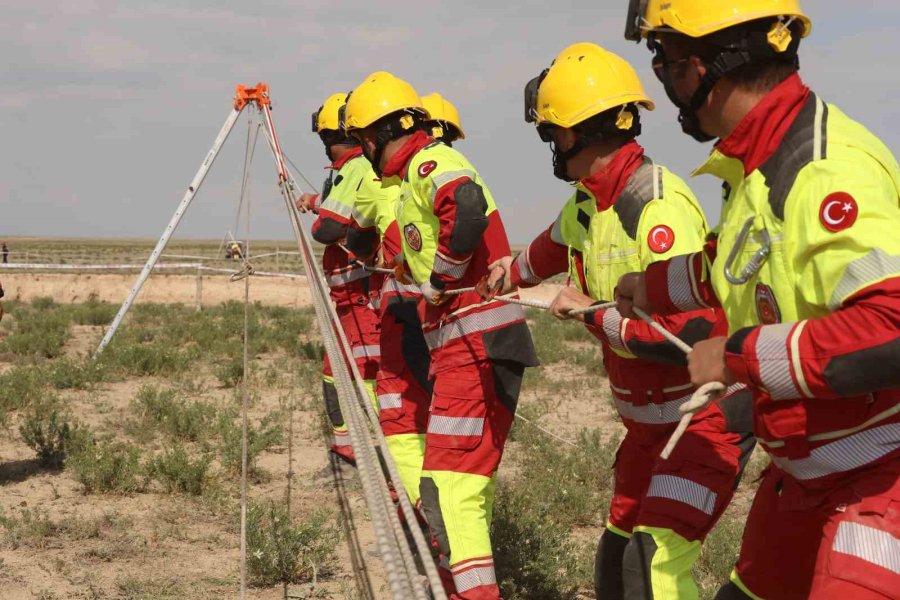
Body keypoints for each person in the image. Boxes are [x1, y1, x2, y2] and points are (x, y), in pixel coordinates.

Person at [617, 2, 900, 598]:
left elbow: (889, 329)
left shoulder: (823, 168)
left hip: (877, 481)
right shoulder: (761, 162)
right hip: (804, 476)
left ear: (702, 66)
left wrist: (735, 355)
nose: (666, 82)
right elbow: (741, 257)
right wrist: (653, 286)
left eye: (666, 61)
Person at [487, 42, 753, 599]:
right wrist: (508, 272)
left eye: (551, 133)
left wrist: (588, 313)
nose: (550, 146)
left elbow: (691, 334)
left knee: (651, 561)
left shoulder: (653, 206)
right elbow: (551, 249)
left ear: (580, 132)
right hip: (648, 430)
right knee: (616, 552)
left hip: (703, 423)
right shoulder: (589, 202)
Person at [343, 71, 538, 599]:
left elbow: (466, 209)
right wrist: (412, 271)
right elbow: (435, 239)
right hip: (461, 347)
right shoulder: (410, 183)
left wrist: (441, 279)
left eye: (363, 141)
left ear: (385, 133)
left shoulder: (432, 163)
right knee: (457, 493)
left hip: (476, 345)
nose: (363, 152)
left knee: (449, 490)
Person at [297, 92, 384, 465]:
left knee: (368, 373)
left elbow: (328, 228)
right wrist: (318, 201)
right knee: (337, 370)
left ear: (327, 137)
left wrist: (322, 216)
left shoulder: (357, 168)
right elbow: (339, 212)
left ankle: (390, 455)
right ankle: (346, 449)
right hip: (347, 297)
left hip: (361, 295)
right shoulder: (347, 172)